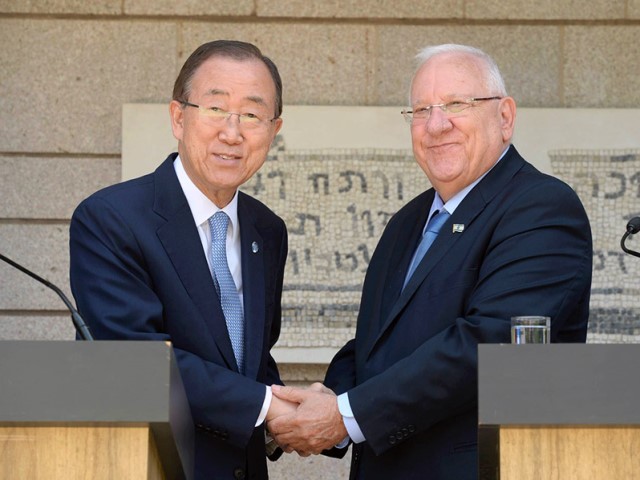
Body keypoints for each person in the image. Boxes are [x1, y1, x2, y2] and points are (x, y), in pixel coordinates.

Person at [267, 43, 593, 479]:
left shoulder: (541, 207)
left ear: (505, 117)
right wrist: (317, 408)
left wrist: (343, 415)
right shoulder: (408, 221)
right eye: (421, 110)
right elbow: (374, 343)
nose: (436, 125)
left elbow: (490, 341)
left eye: (457, 104)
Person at [70, 40, 297, 480]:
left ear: (273, 130)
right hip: (149, 466)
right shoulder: (111, 218)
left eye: (252, 115)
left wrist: (289, 417)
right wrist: (268, 407)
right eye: (215, 109)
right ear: (178, 117)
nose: (232, 132)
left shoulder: (267, 231)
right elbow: (131, 358)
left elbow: (250, 360)